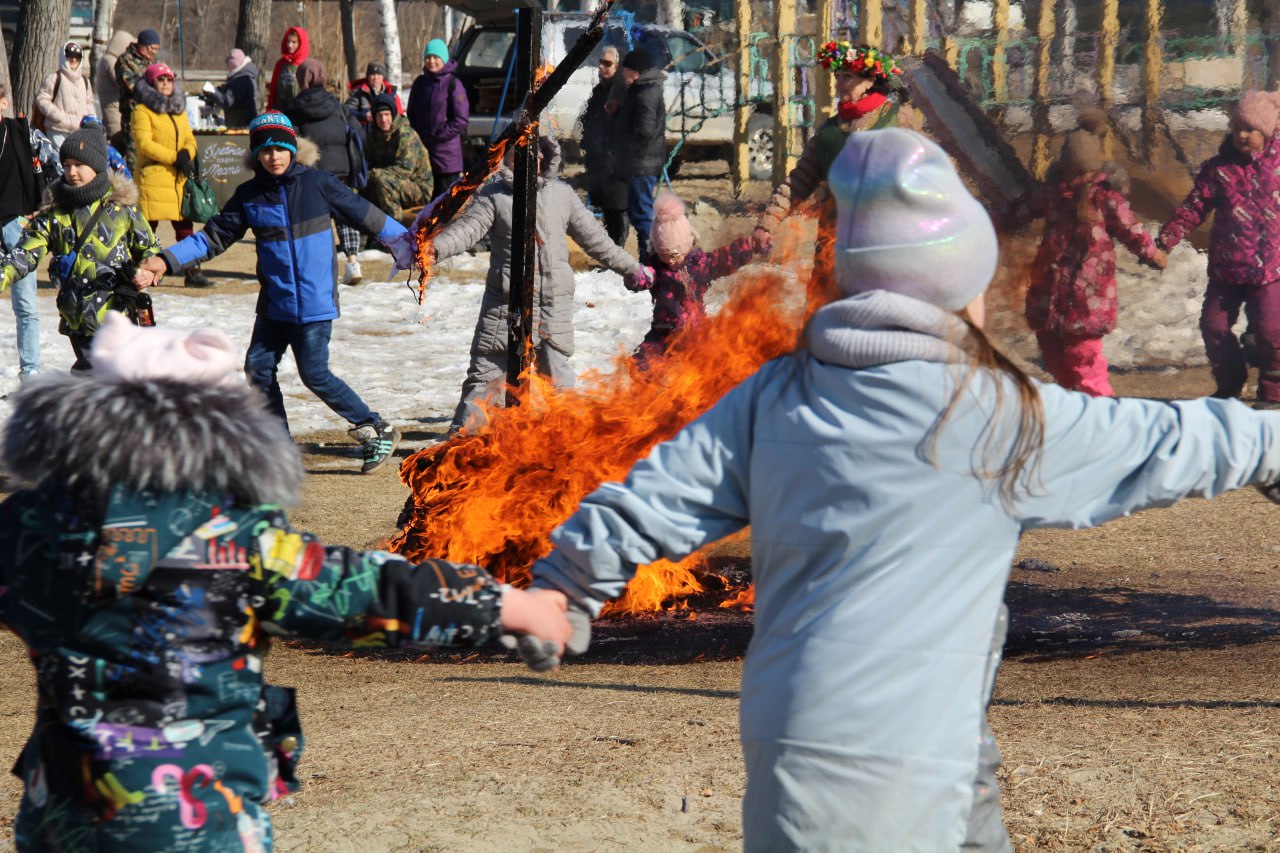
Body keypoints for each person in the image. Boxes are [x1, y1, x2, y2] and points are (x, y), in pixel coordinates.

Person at [520, 127, 1280, 850]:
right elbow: (1169, 440)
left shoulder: (773, 395)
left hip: (793, 756)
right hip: (913, 768)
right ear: (955, 292)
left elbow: (648, 500)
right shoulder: (994, 413)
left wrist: (561, 589)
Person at [0, 311, 572, 851]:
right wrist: (509, 607)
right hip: (201, 818)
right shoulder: (235, 539)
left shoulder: (25, 528)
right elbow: (365, 592)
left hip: (62, 812)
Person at [138, 112, 414, 473]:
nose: (274, 157)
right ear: (256, 156)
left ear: (292, 148)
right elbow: (212, 238)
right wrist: (166, 260)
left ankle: (375, 427)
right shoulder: (249, 195)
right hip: (275, 304)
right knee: (258, 367)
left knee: (314, 373)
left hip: (315, 304)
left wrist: (408, 244)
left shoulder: (318, 184)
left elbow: (367, 215)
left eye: (281, 148)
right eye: (265, 151)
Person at [430, 135, 649, 436]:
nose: (527, 160)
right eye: (517, 153)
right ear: (505, 157)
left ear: (546, 156)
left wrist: (632, 268)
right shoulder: (493, 196)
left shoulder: (562, 195)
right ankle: (457, 449)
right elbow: (465, 232)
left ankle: (566, 447)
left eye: (534, 153)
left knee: (558, 384)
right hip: (506, 307)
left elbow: (596, 241)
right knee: (486, 378)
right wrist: (432, 250)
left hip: (552, 306)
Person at [1019, 114, 1167, 397]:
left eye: (1083, 174)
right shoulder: (1053, 195)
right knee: (1052, 352)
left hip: (1089, 296)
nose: (1079, 181)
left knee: (1083, 356)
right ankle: (1073, 403)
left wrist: (1152, 254)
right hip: (1050, 291)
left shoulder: (1105, 199)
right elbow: (1020, 209)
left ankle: (1102, 406)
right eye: (1073, 173)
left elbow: (1131, 230)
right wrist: (994, 221)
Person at [0, 126, 161, 371]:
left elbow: (150, 250)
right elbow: (25, 254)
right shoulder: (56, 214)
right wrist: (4, 274)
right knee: (97, 377)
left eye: (79, 165)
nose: (71, 172)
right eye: (66, 166)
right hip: (78, 318)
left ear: (96, 165)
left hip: (118, 314)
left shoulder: (121, 210)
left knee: (104, 377)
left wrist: (148, 272)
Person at [1158, 89, 1280, 406]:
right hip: (1227, 268)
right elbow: (1194, 207)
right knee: (1213, 326)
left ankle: (1273, 394)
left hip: (1271, 269)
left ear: (1267, 130)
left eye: (1250, 129)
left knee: (1271, 334)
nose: (1242, 135)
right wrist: (1168, 238)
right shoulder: (1219, 169)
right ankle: (1229, 383)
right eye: (1237, 127)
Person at [628, 192, 770, 363]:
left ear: (688, 245)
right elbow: (644, 278)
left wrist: (750, 245)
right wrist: (634, 277)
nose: (671, 260)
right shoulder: (656, 268)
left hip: (694, 330)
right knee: (643, 363)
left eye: (675, 254)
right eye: (664, 255)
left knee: (711, 361)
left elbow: (724, 258)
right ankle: (651, 386)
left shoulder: (699, 264)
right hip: (663, 330)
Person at [282, 58, 366, 286]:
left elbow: (290, 139)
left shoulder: (294, 108)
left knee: (316, 221)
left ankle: (318, 269)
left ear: (301, 80)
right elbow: (357, 131)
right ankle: (353, 262)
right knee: (346, 217)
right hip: (342, 171)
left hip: (312, 172)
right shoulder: (337, 105)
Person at [132, 62, 212, 289]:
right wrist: (174, 157)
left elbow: (189, 137)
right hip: (154, 176)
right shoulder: (142, 110)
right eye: (161, 79)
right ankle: (142, 268)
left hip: (178, 178)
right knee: (148, 228)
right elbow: (144, 144)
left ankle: (192, 270)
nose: (166, 83)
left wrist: (187, 153)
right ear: (150, 82)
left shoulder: (178, 110)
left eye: (169, 79)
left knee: (184, 227)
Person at [0, 83, 44, 380]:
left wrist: (42, 204)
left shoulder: (21, 132)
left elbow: (53, 164)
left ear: (2, 102)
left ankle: (30, 372)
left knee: (26, 304)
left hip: (16, 224)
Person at [614, 47, 666, 259]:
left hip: (642, 162)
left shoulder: (645, 93)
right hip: (638, 161)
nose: (622, 73)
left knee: (642, 211)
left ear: (635, 72)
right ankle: (647, 252)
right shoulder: (641, 89)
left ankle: (649, 254)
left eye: (625, 70)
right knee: (638, 210)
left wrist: (623, 130)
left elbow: (644, 129)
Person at [407, 38, 469, 199]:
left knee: (446, 204)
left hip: (446, 158)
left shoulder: (453, 84)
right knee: (426, 204)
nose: (431, 61)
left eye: (436, 57)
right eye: (428, 57)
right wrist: (418, 138)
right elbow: (411, 114)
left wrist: (438, 136)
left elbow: (461, 120)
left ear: (444, 59)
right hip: (423, 154)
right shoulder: (420, 83)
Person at [580, 45, 629, 247]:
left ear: (617, 66)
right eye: (600, 62)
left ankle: (619, 248)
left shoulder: (623, 91)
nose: (602, 67)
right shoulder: (599, 90)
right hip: (599, 159)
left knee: (619, 207)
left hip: (618, 160)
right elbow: (589, 118)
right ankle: (611, 249)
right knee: (606, 208)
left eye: (607, 63)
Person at [363, 93, 432, 222]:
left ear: (393, 115)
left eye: (387, 115)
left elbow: (404, 171)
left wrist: (373, 174)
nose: (383, 120)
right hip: (389, 182)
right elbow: (368, 162)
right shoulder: (374, 136)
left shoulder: (405, 135)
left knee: (382, 181)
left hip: (417, 188)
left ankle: (395, 230)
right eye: (379, 116)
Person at [114, 27, 161, 168]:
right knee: (134, 156)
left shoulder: (152, 62)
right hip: (132, 115)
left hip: (152, 114)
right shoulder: (125, 60)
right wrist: (154, 85)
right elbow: (134, 85)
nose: (154, 52)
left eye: (157, 49)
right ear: (143, 45)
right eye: (152, 48)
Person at [34, 41, 96, 147]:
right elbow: (41, 99)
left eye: (77, 57)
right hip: (57, 129)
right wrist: (57, 115)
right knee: (60, 161)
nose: (73, 60)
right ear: (64, 57)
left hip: (79, 131)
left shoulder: (85, 81)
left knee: (75, 161)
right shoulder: (54, 78)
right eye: (70, 56)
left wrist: (92, 121)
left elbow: (89, 104)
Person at [202, 47, 260, 129]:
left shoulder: (242, 79)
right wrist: (218, 90)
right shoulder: (243, 75)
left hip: (241, 126)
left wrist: (212, 91)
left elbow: (227, 101)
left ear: (234, 63)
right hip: (244, 123)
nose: (226, 68)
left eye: (227, 65)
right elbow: (231, 91)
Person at [96, 29, 134, 138]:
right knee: (117, 139)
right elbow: (121, 80)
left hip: (112, 107)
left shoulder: (107, 59)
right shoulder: (111, 61)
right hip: (114, 110)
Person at [347, 61, 404, 127]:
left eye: (379, 74)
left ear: (383, 76)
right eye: (372, 74)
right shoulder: (358, 92)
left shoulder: (391, 93)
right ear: (368, 76)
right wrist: (363, 116)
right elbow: (347, 111)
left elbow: (400, 115)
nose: (375, 78)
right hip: (365, 131)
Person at [267, 25, 309, 109]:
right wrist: (269, 109)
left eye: (294, 42)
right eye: (288, 41)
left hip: (298, 112)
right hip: (280, 111)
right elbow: (273, 90)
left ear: (300, 44)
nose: (290, 45)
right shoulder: (280, 64)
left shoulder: (306, 65)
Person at [80, 114, 132, 180]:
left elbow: (123, 171)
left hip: (107, 184)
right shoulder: (80, 150)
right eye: (86, 132)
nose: (91, 135)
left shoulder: (109, 151)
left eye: (95, 132)